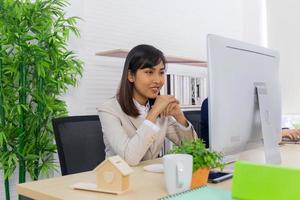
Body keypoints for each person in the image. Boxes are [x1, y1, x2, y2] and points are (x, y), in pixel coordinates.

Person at [97, 44, 197, 166]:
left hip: (150, 178)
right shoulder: (109, 109)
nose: (158, 80)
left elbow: (194, 150)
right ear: (131, 76)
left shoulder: (162, 108)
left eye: (161, 72)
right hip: (119, 180)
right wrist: (154, 112)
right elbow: (130, 158)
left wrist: (180, 117)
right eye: (149, 72)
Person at [200, 98, 300, 144]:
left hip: (245, 158)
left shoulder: (243, 104)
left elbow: (257, 128)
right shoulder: (211, 103)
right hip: (219, 167)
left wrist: (282, 131)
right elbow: (236, 137)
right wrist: (278, 134)